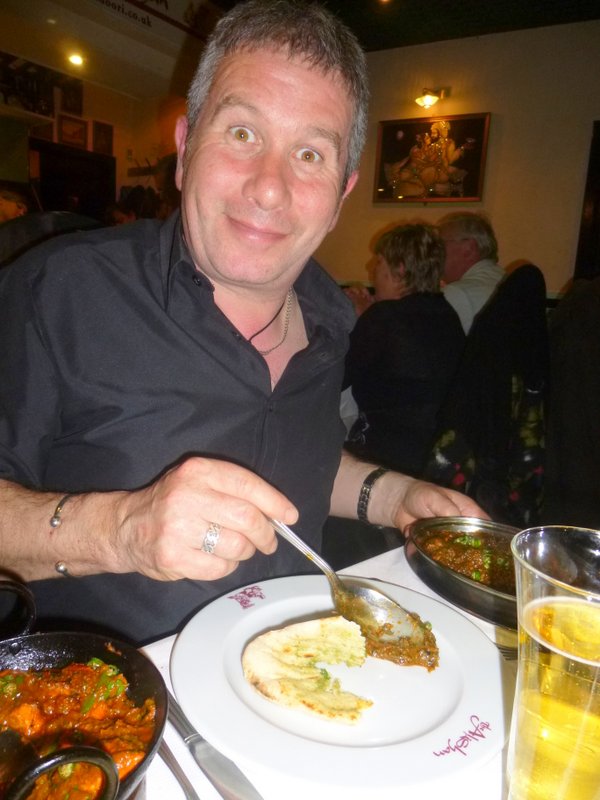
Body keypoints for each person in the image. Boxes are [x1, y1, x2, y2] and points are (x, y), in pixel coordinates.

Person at [0, 0, 484, 645]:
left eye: (309, 153)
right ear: (185, 148)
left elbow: (296, 463)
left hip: (305, 674)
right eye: (242, 133)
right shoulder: (57, 287)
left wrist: (394, 498)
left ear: (341, 195)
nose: (269, 187)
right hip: (107, 690)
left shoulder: (331, 317)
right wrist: (119, 530)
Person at [345, 223, 465, 476]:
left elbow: (338, 376)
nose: (371, 268)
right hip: (436, 452)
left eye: (379, 262)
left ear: (399, 269)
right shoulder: (447, 315)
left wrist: (356, 320)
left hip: (386, 453)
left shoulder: (384, 318)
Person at [437, 211, 505, 332]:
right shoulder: (506, 280)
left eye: (440, 244)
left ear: (469, 249)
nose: (434, 252)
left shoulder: (457, 293)